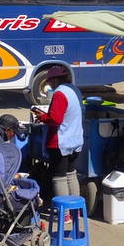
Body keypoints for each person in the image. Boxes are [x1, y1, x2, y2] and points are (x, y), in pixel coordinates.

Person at [39, 65, 84, 199]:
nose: (50, 85)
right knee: (71, 174)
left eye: (50, 82)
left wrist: (42, 117)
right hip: (75, 139)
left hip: (61, 141)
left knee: (60, 177)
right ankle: (74, 210)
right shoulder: (74, 90)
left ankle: (64, 214)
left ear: (54, 80)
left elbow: (55, 119)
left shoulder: (59, 93)